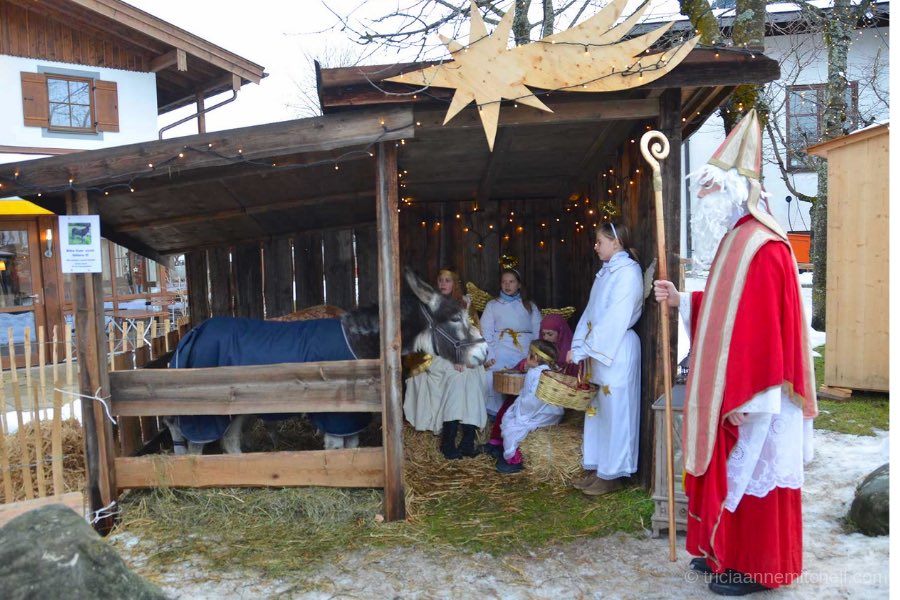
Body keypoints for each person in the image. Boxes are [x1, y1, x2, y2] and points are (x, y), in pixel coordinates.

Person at [653, 109, 817, 596]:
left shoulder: (763, 248)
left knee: (753, 477)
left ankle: (755, 566)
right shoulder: (735, 240)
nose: (703, 200)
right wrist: (684, 300)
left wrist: (751, 398)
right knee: (736, 477)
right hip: (741, 386)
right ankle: (724, 551)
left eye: (709, 190)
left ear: (734, 192)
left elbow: (765, 332)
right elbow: (726, 310)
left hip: (758, 392)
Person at [567, 222, 643, 496]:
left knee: (616, 412)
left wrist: (585, 349)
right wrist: (579, 346)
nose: (596, 246)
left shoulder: (627, 273)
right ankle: (599, 467)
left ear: (616, 242)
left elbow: (615, 317)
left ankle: (613, 473)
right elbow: (591, 312)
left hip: (617, 348)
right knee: (598, 412)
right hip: (600, 351)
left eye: (600, 241)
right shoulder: (606, 273)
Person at [403, 269, 488, 459]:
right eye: (440, 280)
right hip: (434, 356)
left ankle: (467, 441)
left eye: (448, 280)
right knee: (458, 377)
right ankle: (448, 442)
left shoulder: (465, 304)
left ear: (455, 284)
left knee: (472, 374)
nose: (443, 284)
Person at [493, 339, 563, 474]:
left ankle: (514, 460)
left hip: (543, 413)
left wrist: (520, 411)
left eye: (529, 353)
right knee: (508, 417)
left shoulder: (543, 375)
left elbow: (535, 400)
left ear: (535, 357)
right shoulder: (536, 371)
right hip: (534, 409)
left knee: (512, 428)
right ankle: (509, 451)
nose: (527, 356)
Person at [480, 268, 542, 418]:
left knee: (525, 377)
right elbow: (486, 331)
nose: (507, 285)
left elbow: (537, 330)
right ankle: (496, 415)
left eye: (511, 282)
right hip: (500, 348)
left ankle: (519, 414)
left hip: (524, 350)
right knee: (492, 377)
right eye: (504, 282)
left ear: (519, 285)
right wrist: (490, 354)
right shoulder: (492, 305)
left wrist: (533, 354)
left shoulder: (529, 306)